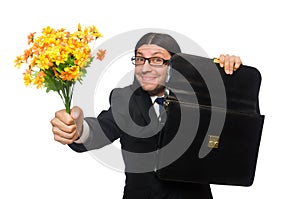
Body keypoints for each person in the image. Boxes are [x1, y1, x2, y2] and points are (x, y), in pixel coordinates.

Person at [50, 32, 242, 199]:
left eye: (157, 60)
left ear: (175, 64)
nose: (145, 68)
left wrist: (227, 75)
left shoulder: (198, 97)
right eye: (140, 59)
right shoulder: (124, 99)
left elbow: (232, 128)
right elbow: (100, 129)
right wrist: (78, 129)